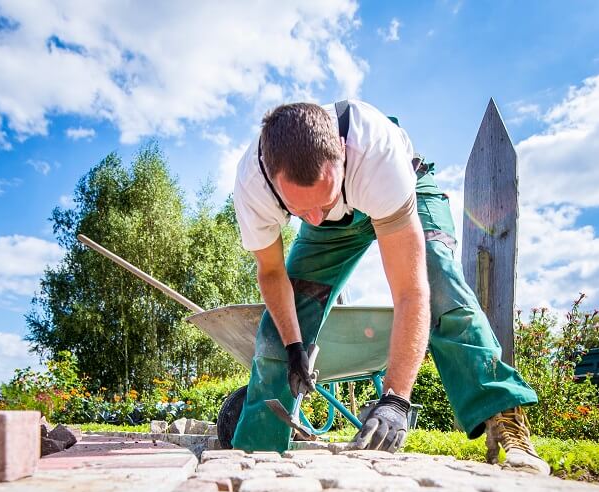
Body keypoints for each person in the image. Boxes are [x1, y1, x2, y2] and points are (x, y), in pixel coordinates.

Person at [229, 99, 548, 473]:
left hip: (403, 194)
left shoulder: (376, 154)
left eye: (323, 199)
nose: (313, 217)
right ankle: (252, 453)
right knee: (278, 332)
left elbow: (410, 292)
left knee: (440, 281)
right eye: (300, 211)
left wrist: (396, 399)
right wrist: (293, 345)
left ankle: (506, 426)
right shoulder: (254, 185)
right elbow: (271, 273)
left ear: (343, 157)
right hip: (330, 232)